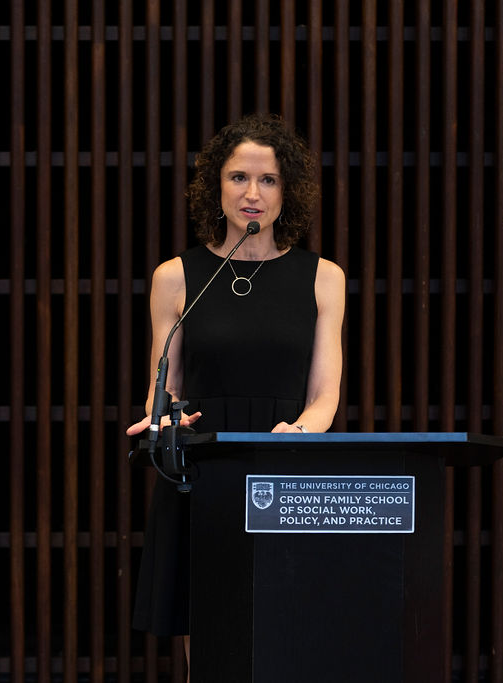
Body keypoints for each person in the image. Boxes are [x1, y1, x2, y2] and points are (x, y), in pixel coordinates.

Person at [126, 113, 346, 668]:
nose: (253, 194)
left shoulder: (323, 277)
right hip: (202, 470)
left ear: (286, 190)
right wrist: (163, 420)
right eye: (238, 178)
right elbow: (164, 388)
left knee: (289, 624)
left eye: (268, 180)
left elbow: (324, 395)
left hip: (288, 462)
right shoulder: (176, 276)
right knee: (210, 625)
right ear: (214, 186)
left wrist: (294, 435)